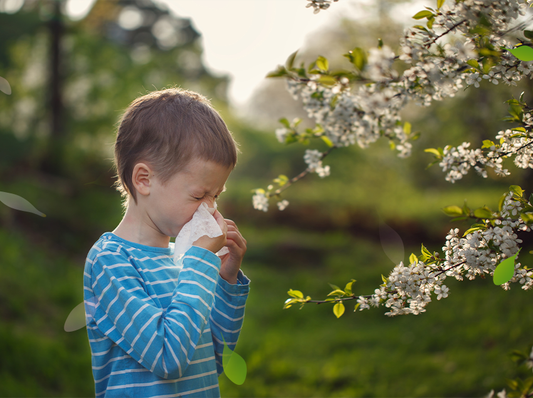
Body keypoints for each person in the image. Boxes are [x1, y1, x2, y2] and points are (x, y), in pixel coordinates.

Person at [83, 87, 249, 397]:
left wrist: (225, 280)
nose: (210, 209)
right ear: (144, 180)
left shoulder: (185, 260)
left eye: (216, 196)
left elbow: (212, 360)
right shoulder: (110, 261)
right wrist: (200, 263)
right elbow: (168, 357)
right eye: (199, 195)